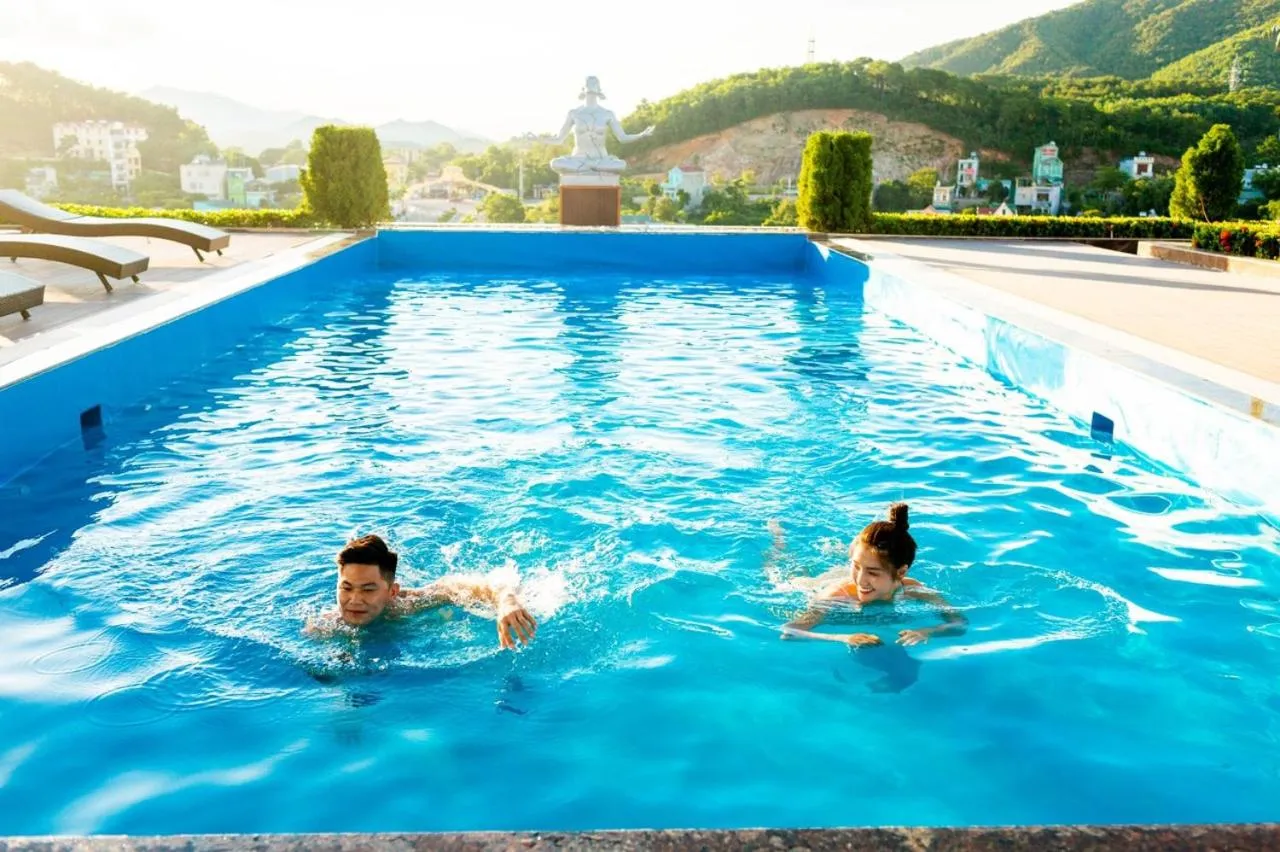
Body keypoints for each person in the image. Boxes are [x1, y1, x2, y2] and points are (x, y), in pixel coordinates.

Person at [773, 503, 966, 647]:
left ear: (901, 572)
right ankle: (778, 538)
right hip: (821, 582)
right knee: (788, 575)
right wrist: (843, 638)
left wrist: (928, 632)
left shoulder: (913, 589)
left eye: (872, 572)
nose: (861, 580)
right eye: (856, 566)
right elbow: (790, 629)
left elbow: (959, 623)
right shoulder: (835, 596)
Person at [306, 534, 537, 649]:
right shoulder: (322, 628)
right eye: (346, 588)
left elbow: (467, 585)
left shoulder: (409, 605)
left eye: (368, 589)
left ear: (392, 592)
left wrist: (507, 600)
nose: (354, 600)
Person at [546, 76, 655, 175]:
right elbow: (558, 139)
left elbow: (622, 138)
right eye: (588, 83)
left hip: (601, 159)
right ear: (583, 88)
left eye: (594, 83)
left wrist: (641, 135)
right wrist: (538, 139)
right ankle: (592, 168)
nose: (591, 85)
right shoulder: (574, 113)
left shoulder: (607, 114)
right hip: (578, 158)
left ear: (599, 89)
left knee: (621, 165)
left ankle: (586, 168)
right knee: (555, 163)